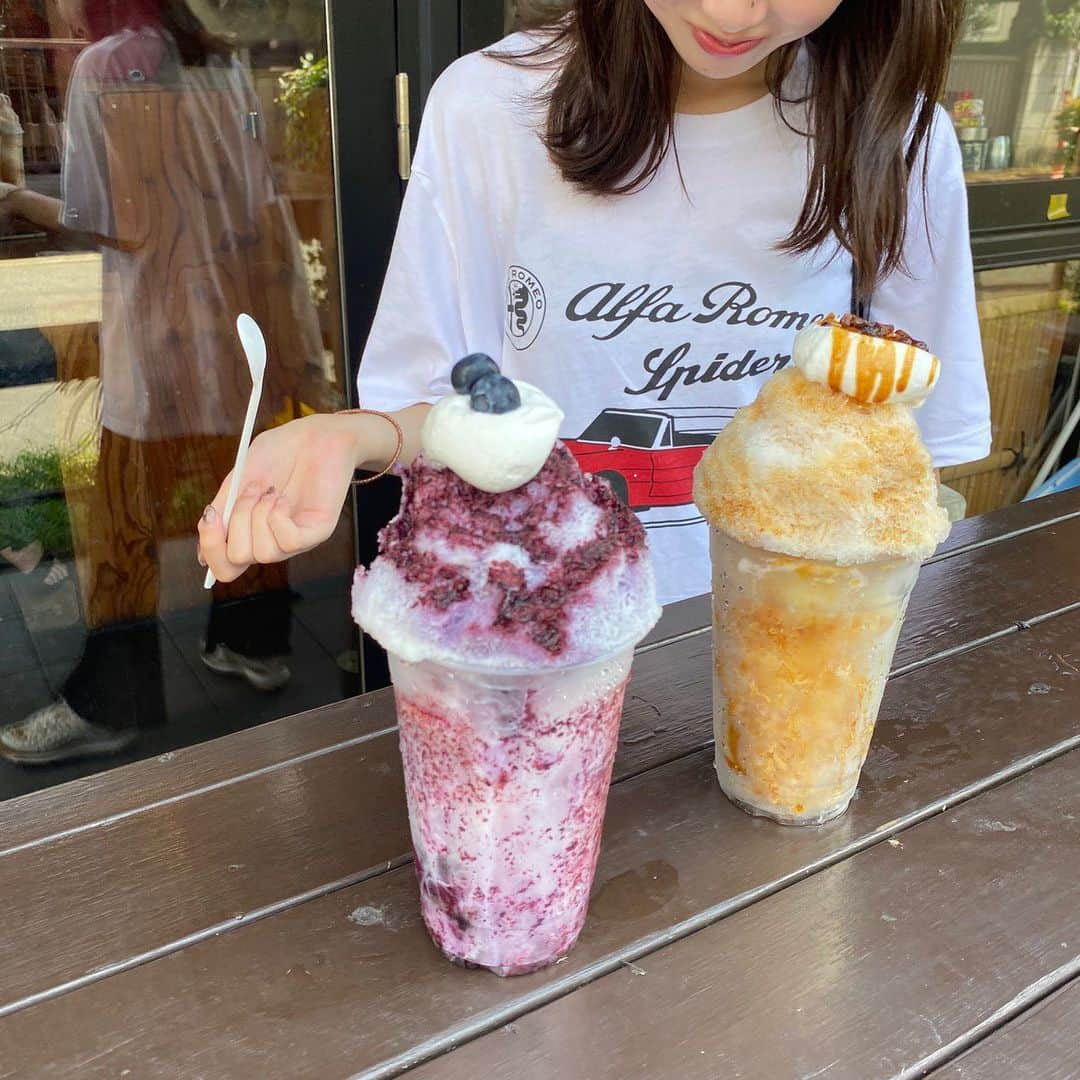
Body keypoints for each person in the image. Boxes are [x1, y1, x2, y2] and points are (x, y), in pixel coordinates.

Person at [199, 0, 992, 608]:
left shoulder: (900, 139)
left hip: (792, 636)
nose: (731, 13)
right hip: (535, 644)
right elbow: (453, 415)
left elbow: (917, 456)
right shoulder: (489, 108)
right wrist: (349, 436)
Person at [0, 0, 323, 764]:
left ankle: (113, 700)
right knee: (244, 483)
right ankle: (258, 646)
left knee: (121, 521)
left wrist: (14, 198)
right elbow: (252, 193)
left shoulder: (105, 68)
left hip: (156, 337)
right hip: (228, 328)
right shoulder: (223, 61)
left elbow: (109, 218)